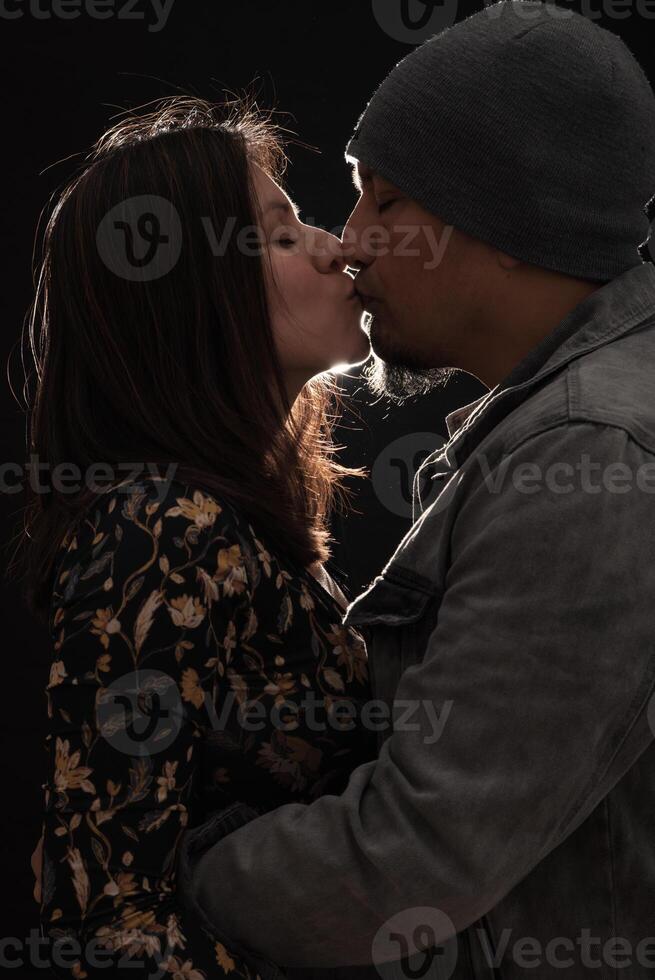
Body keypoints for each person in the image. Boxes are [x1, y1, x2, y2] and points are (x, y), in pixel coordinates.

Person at [177, 3, 655, 978]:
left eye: (386, 203)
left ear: (511, 226)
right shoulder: (565, 425)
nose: (348, 244)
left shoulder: (590, 456)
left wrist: (184, 872)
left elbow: (408, 863)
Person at [19, 94, 379, 978]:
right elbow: (104, 920)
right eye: (285, 235)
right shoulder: (156, 529)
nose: (342, 249)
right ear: (194, 292)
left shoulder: (236, 517)